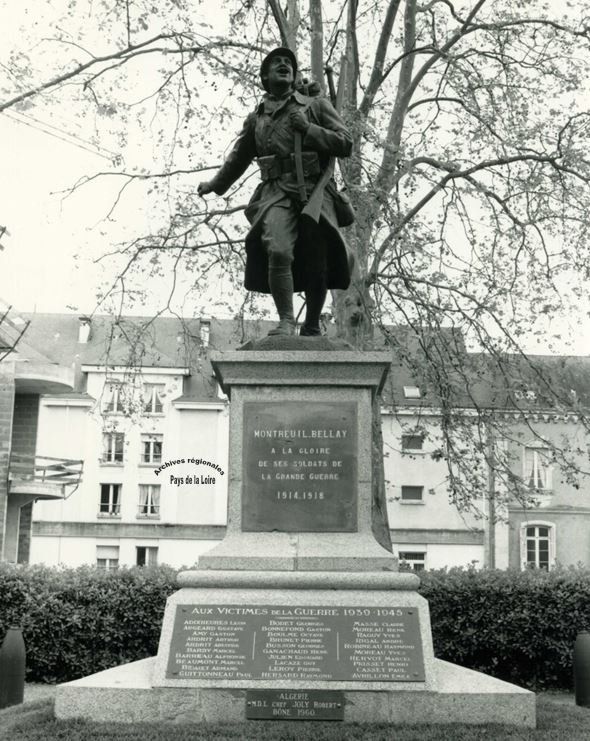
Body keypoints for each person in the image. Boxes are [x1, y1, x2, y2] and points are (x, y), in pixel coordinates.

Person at [198, 47, 354, 336]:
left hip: (314, 191)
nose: (284, 65)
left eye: (288, 63)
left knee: (318, 260)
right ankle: (285, 320)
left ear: (294, 75)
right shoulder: (256, 118)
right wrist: (215, 185)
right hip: (276, 192)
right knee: (278, 249)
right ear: (265, 76)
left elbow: (346, 143)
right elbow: (239, 158)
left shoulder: (314, 105)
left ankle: (311, 326)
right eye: (276, 63)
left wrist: (309, 130)